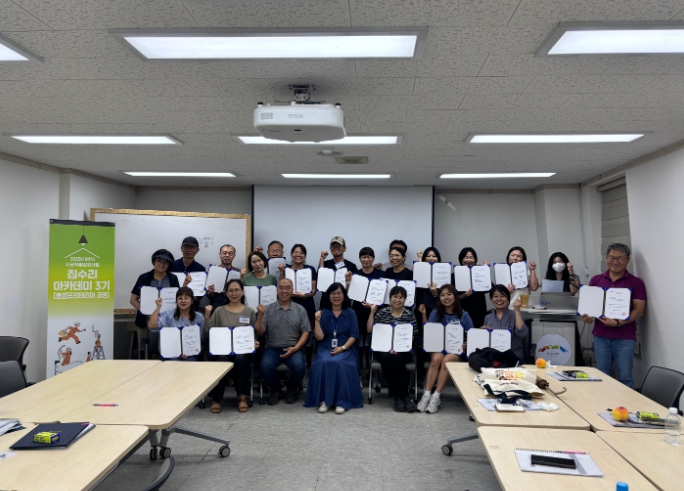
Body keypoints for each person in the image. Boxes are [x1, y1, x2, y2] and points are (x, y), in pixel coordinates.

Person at [581, 243, 646, 388]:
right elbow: (590, 309)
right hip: (600, 336)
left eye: (620, 258)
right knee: (602, 376)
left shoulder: (636, 283)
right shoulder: (596, 280)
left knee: (625, 378)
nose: (615, 262)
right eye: (612, 258)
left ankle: (624, 403)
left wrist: (618, 323)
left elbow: (639, 310)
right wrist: (588, 317)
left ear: (628, 260)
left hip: (624, 338)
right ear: (606, 258)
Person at [305, 283, 363, 414]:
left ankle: (341, 401)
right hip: (326, 346)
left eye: (339, 293)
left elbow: (354, 335)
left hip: (346, 346)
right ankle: (325, 400)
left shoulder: (351, 313)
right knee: (324, 362)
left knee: (340, 363)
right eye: (333, 293)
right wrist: (317, 321)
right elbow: (319, 337)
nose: (336, 296)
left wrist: (343, 347)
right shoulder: (323, 313)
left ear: (344, 295)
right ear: (328, 296)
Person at [417, 284, 472, 414]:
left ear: (455, 296)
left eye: (449, 294)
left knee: (447, 360)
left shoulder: (464, 315)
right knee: (436, 359)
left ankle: (436, 396)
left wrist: (466, 343)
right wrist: (423, 315)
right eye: (442, 295)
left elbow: (471, 335)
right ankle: (426, 394)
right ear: (439, 298)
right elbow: (429, 332)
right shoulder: (436, 313)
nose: (446, 297)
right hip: (438, 349)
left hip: (455, 351)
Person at [204, 279, 257, 414]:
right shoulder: (219, 311)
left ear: (242, 292)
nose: (234, 293)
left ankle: (241, 396)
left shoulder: (250, 312)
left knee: (240, 359)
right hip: (222, 352)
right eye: (230, 290)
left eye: (237, 290)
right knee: (222, 359)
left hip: (242, 352)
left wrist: (254, 342)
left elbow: (253, 334)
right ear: (226, 293)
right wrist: (207, 317)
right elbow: (208, 333)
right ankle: (217, 399)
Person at [255, 278, 311, 405]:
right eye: (281, 288)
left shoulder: (300, 309)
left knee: (299, 366)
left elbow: (306, 332)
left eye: (287, 288)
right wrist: (260, 316)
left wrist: (296, 348)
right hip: (272, 348)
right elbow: (260, 332)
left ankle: (292, 388)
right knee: (264, 365)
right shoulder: (268, 309)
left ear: (292, 290)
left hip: (293, 348)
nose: (284, 291)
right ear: (277, 290)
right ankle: (276, 389)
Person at [367, 286, 418, 412]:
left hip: (403, 350)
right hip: (384, 349)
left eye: (401, 297)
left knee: (398, 358)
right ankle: (401, 396)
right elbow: (370, 330)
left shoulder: (409, 315)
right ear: (390, 298)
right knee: (386, 357)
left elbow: (413, 335)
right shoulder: (382, 313)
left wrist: (399, 347)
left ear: (405, 299)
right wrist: (372, 313)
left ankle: (401, 395)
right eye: (395, 296)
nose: (398, 300)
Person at [349, 247, 384, 382]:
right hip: (358, 312)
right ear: (360, 259)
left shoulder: (380, 275)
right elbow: (350, 295)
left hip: (374, 312)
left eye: (369, 257)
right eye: (363, 257)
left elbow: (383, 296)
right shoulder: (356, 275)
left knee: (372, 345)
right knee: (358, 345)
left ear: (373, 258)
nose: (366, 259)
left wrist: (372, 307)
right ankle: (357, 374)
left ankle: (372, 374)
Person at [130, 249, 184, 329]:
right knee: (144, 337)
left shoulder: (173, 278)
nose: (162, 264)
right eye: (159, 261)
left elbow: (177, 298)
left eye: (166, 262)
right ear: (154, 262)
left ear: (169, 264)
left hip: (168, 321)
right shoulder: (144, 278)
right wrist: (147, 313)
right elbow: (133, 300)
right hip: (145, 321)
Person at [148, 286, 205, 361]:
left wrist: (188, 351)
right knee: (173, 362)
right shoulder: (168, 315)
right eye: (180, 298)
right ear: (176, 301)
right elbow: (152, 326)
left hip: (190, 354)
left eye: (186, 298)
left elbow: (200, 338)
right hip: (170, 352)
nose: (183, 301)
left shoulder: (199, 317)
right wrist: (158, 307)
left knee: (191, 362)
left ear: (192, 300)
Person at [481, 285, 527, 363]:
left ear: (508, 299)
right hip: (494, 357)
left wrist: (517, 311)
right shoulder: (488, 317)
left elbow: (522, 332)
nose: (499, 299)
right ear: (491, 299)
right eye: (496, 296)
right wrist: (483, 333)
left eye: (502, 296)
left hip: (514, 357)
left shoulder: (515, 314)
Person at [284, 244, 318, 326]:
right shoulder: (286, 269)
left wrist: (304, 296)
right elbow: (281, 287)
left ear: (305, 256)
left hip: (307, 305)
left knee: (308, 330)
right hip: (289, 305)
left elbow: (313, 290)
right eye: (296, 252)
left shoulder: (310, 269)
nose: (298, 254)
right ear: (291, 254)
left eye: (301, 253)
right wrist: (281, 272)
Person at [456, 247, 488, 330]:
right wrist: (460, 297)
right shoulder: (454, 275)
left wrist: (485, 273)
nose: (469, 260)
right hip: (461, 311)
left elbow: (490, 288)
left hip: (478, 310)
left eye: (472, 257)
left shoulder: (480, 273)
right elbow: (449, 296)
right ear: (461, 259)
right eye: (466, 257)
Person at [203, 244, 240, 310]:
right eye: (224, 253)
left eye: (230, 253)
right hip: (216, 306)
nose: (227, 255)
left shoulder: (238, 273)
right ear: (220, 255)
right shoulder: (213, 271)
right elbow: (208, 295)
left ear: (234, 256)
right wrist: (210, 292)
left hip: (233, 305)